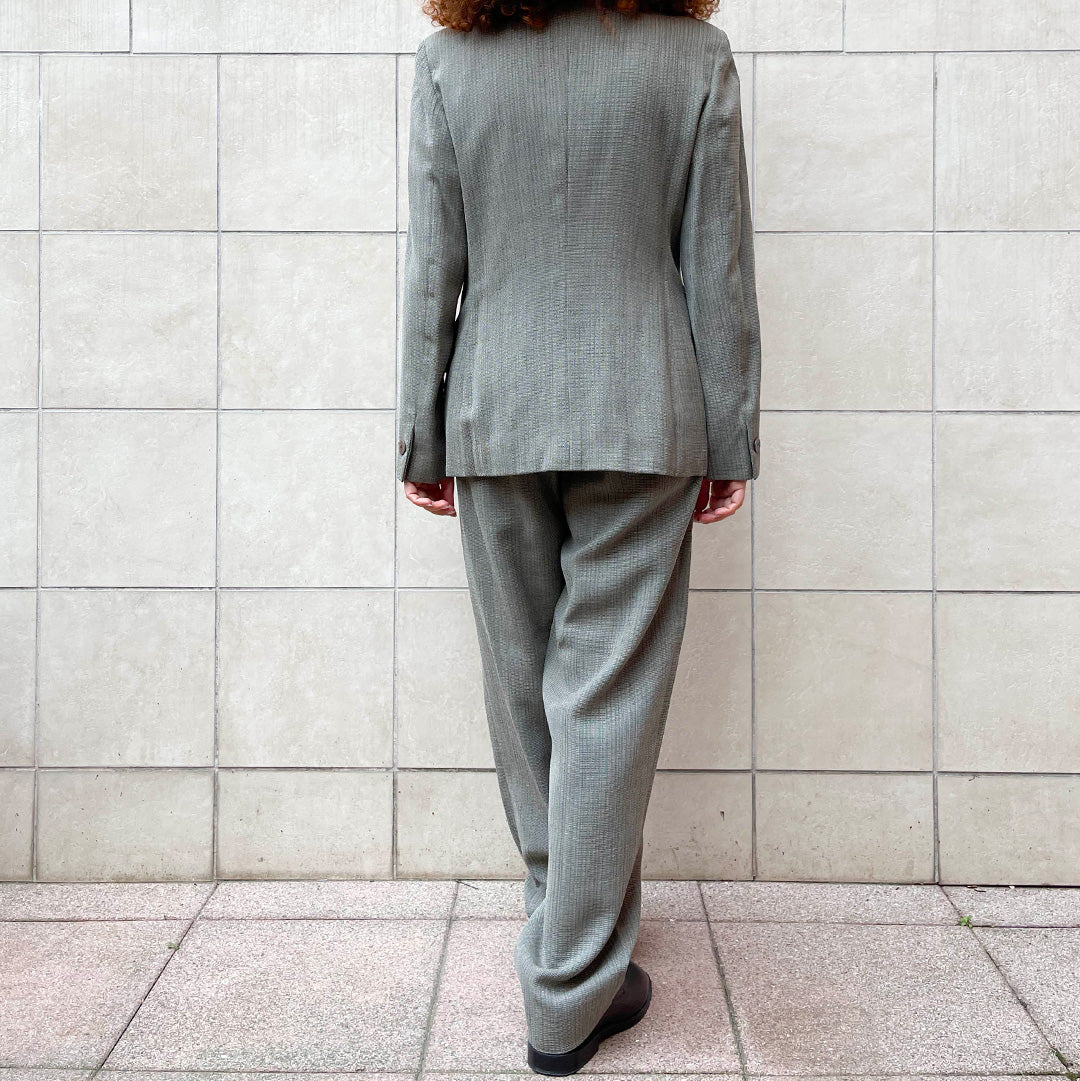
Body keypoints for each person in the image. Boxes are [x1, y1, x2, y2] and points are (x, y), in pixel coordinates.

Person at [395, 0, 761, 1073]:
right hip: (645, 408)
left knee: (525, 689)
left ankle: (567, 945)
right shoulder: (694, 56)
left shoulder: (451, 63)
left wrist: (421, 431)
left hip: (495, 407)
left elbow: (434, 266)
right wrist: (730, 435)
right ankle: (571, 975)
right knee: (607, 692)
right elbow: (718, 266)